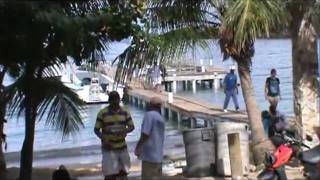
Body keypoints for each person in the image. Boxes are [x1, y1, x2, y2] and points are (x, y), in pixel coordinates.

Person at [94, 91, 135, 180]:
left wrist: (126, 130)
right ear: (109, 101)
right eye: (113, 101)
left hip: (122, 147)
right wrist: (104, 140)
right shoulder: (102, 113)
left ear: (119, 100)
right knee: (109, 174)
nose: (115, 103)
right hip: (109, 148)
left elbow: (132, 126)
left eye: (116, 101)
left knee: (124, 172)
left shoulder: (125, 112)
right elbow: (96, 130)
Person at [135, 97, 165, 179]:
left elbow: (145, 133)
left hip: (149, 156)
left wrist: (138, 147)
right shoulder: (160, 118)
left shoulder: (149, 115)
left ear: (150, 105)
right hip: (158, 155)